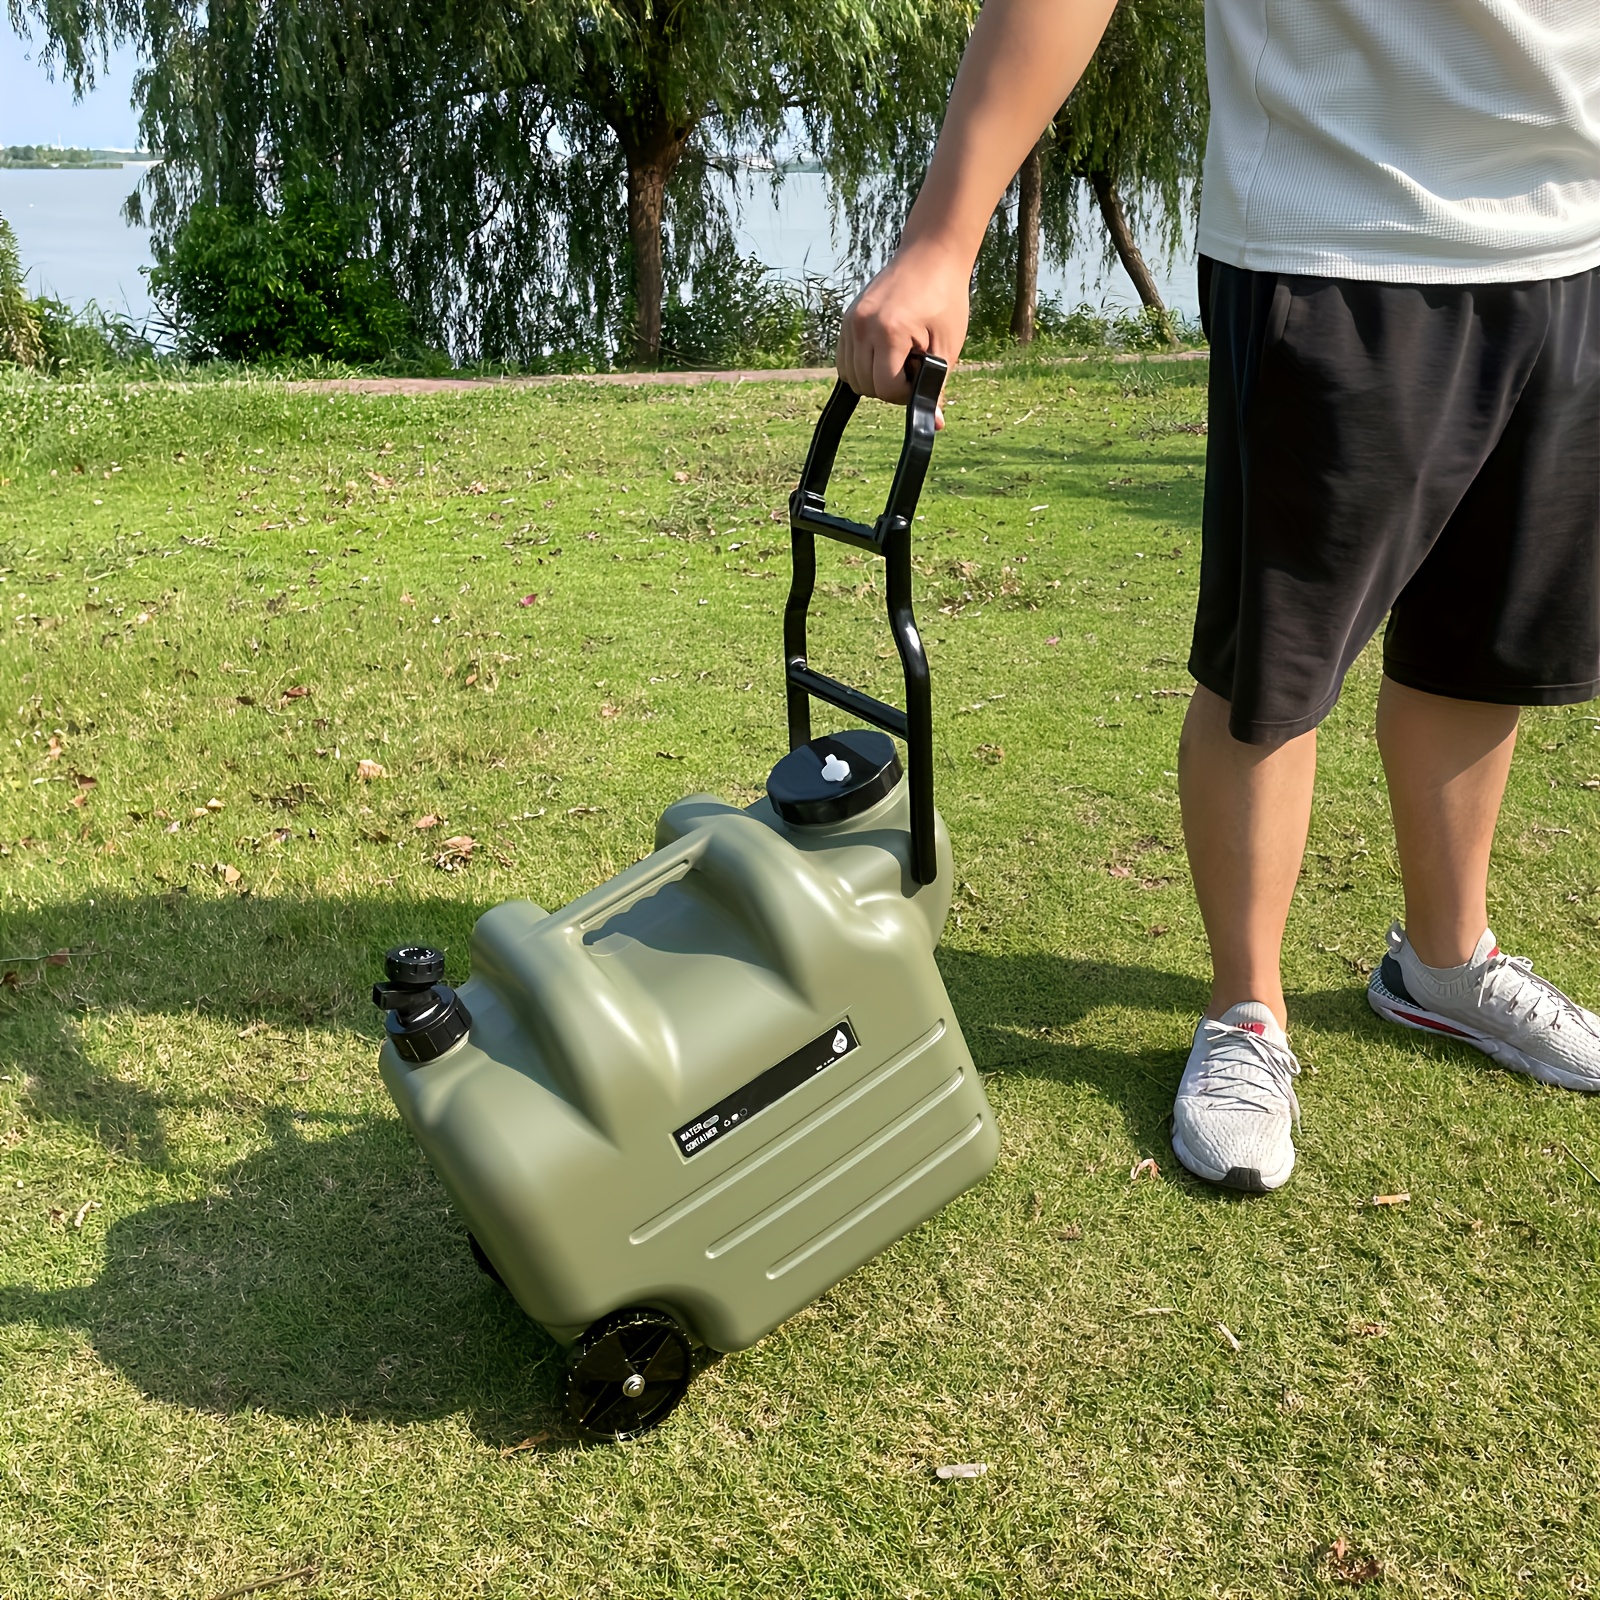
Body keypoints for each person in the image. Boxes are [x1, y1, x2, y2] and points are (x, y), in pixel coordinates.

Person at [838, 0, 1600, 1191]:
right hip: (1336, 230)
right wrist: (946, 233)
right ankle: (1245, 1008)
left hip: (1569, 241)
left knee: (1481, 647)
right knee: (1273, 678)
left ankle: (1444, 968)